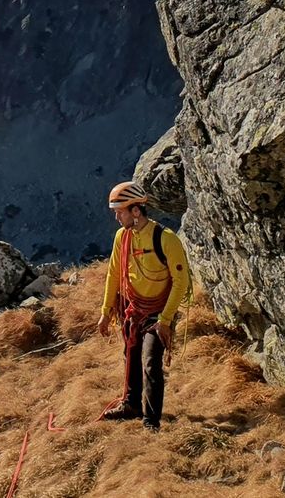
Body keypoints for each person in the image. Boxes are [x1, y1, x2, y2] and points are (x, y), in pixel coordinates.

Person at [95, 181, 190, 431]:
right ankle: (131, 405)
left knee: (150, 362)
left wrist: (166, 319)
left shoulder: (165, 239)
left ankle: (151, 421)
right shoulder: (122, 237)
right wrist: (106, 312)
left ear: (136, 211)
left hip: (159, 312)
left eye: (120, 211)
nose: (117, 217)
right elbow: (113, 273)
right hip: (134, 310)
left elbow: (181, 281)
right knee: (131, 355)